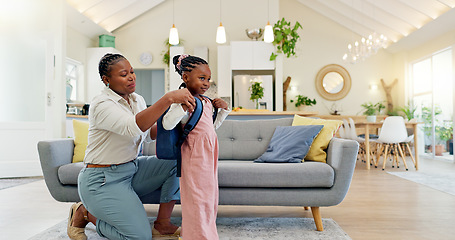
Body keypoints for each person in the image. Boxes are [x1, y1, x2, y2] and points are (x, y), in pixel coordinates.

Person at [67, 53, 196, 240]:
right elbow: (132, 127)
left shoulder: (137, 100)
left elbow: (148, 133)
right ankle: (84, 213)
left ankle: (162, 224)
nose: (131, 77)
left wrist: (181, 124)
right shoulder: (102, 104)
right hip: (102, 180)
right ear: (107, 80)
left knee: (177, 162)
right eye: (123, 74)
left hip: (132, 169)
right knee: (139, 237)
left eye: (132, 72)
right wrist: (168, 99)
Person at [162, 54, 230, 240]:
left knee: (209, 197)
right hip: (194, 154)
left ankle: (204, 233)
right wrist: (182, 107)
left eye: (208, 79)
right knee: (197, 198)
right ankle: (196, 236)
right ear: (185, 78)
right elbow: (167, 124)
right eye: (202, 78)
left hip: (209, 154)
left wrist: (223, 111)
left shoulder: (206, 102)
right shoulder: (184, 101)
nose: (206, 83)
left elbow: (210, 127)